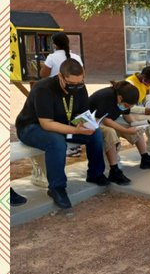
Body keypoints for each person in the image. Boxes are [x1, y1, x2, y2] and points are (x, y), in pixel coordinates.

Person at [15, 57, 108, 211]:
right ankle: (57, 188)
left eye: (80, 83)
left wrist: (86, 123)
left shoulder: (80, 87)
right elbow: (46, 124)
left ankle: (95, 174)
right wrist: (75, 130)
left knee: (95, 133)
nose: (76, 87)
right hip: (31, 127)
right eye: (71, 84)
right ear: (60, 76)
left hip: (64, 124)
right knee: (56, 141)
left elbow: (81, 113)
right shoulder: (43, 88)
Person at [88, 79, 150, 183]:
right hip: (93, 121)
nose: (127, 107)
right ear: (119, 97)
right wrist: (126, 130)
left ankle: (145, 158)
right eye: (127, 105)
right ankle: (114, 170)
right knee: (110, 132)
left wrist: (134, 124)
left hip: (109, 119)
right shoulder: (107, 96)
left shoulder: (125, 96)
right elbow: (106, 120)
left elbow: (126, 115)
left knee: (134, 127)